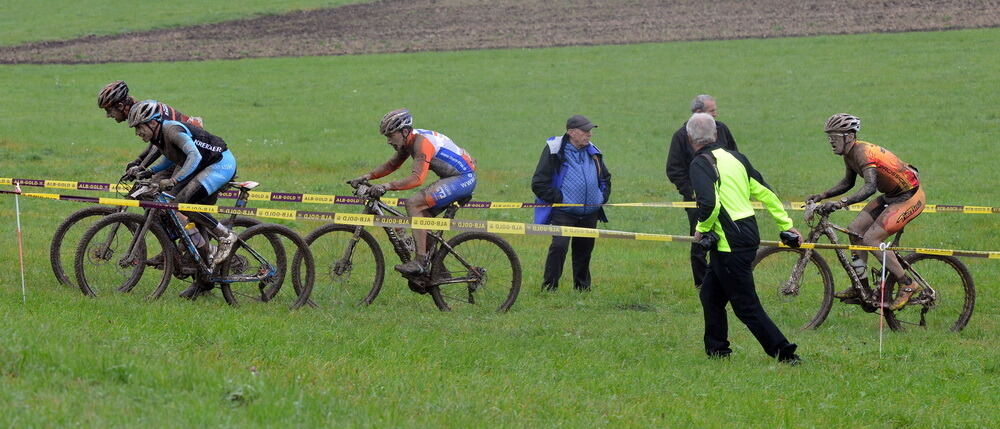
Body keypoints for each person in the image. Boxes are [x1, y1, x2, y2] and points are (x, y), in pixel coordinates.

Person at [687, 112, 802, 364]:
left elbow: (709, 202)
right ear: (715, 134)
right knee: (710, 295)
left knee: (745, 305)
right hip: (746, 234)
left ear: (690, 138)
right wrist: (787, 225)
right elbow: (766, 193)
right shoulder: (736, 158)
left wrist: (701, 228)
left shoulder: (700, 163)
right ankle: (717, 351)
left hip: (730, 242)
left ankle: (785, 353)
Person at [807, 113, 925, 310]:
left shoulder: (863, 153)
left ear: (849, 136)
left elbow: (870, 187)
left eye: (834, 137)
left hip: (909, 198)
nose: (831, 142)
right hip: (891, 195)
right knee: (854, 230)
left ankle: (908, 284)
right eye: (829, 137)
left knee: (871, 240)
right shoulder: (849, 154)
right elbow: (848, 182)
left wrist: (840, 203)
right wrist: (822, 195)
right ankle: (861, 288)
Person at [126, 100, 238, 298]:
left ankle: (225, 236)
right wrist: (147, 171)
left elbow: (193, 156)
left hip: (220, 165)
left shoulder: (172, 131)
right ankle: (204, 278)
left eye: (139, 128)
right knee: (187, 216)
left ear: (152, 123)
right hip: (206, 166)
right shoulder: (159, 137)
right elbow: (171, 158)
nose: (138, 133)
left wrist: (174, 179)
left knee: (183, 204)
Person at [348, 109, 478, 276]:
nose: (388, 141)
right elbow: (391, 165)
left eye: (390, 135)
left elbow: (417, 179)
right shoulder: (408, 141)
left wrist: (386, 186)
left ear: (404, 131)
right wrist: (366, 176)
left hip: (463, 178)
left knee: (413, 203)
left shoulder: (421, 143)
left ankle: (420, 261)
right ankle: (438, 271)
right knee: (422, 221)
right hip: (454, 178)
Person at [531, 115, 612, 292]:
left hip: (590, 212)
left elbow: (605, 177)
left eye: (590, 131)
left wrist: (601, 197)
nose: (589, 135)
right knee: (559, 247)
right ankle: (549, 287)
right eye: (585, 131)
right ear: (571, 132)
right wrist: (559, 198)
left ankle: (582, 289)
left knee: (584, 250)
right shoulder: (555, 151)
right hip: (564, 211)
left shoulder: (593, 151)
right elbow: (538, 182)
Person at [667, 95, 738, 289]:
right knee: (700, 241)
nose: (716, 115)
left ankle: (726, 279)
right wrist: (691, 192)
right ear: (698, 113)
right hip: (698, 202)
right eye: (712, 111)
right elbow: (674, 169)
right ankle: (701, 283)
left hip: (726, 197)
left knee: (727, 238)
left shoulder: (722, 129)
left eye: (715, 111)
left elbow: (735, 156)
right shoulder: (682, 136)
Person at [98, 80, 204, 174]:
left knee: (160, 190)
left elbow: (158, 146)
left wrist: (141, 166)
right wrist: (138, 161)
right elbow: (156, 142)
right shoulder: (142, 110)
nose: (108, 116)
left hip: (193, 152)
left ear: (120, 106)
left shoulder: (144, 113)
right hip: (182, 150)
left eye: (109, 110)